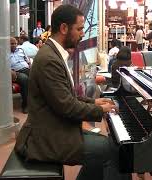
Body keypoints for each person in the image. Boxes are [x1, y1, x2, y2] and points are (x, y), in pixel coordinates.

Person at [14, 5, 131, 180]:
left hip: (54, 127)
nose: (82, 34)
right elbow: (67, 107)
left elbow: (65, 97)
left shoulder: (53, 53)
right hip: (47, 137)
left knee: (111, 147)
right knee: (116, 151)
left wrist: (94, 102)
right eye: (79, 29)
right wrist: (102, 110)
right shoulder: (49, 60)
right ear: (63, 28)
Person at [9, 37, 30, 114]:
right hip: (16, 72)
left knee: (39, 76)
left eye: (15, 44)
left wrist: (31, 67)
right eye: (11, 44)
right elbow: (3, 66)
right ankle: (25, 105)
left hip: (26, 69)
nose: (14, 45)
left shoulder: (21, 50)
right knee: (24, 79)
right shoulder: (5, 53)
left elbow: (28, 61)